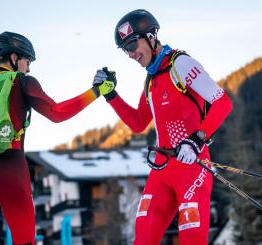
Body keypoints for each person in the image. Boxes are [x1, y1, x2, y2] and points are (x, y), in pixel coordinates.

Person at [0, 31, 114, 245]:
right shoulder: (23, 82)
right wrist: (96, 91)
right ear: (14, 57)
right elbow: (57, 113)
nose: (28, 67)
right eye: (27, 60)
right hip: (13, 174)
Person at [93, 9, 233, 245]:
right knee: (144, 236)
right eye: (125, 50)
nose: (131, 54)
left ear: (151, 36)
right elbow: (138, 123)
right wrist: (111, 95)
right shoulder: (151, 78)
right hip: (162, 169)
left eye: (132, 45)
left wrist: (196, 140)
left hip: (193, 168)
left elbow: (222, 102)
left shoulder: (181, 64)